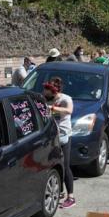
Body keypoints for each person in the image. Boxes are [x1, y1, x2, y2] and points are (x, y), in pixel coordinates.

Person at [43, 77, 75, 209]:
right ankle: (59, 190)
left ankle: (71, 197)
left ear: (53, 90)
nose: (43, 92)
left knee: (65, 165)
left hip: (63, 136)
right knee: (53, 164)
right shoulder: (46, 99)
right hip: (51, 135)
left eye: (46, 90)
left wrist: (53, 108)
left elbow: (69, 110)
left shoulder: (65, 99)